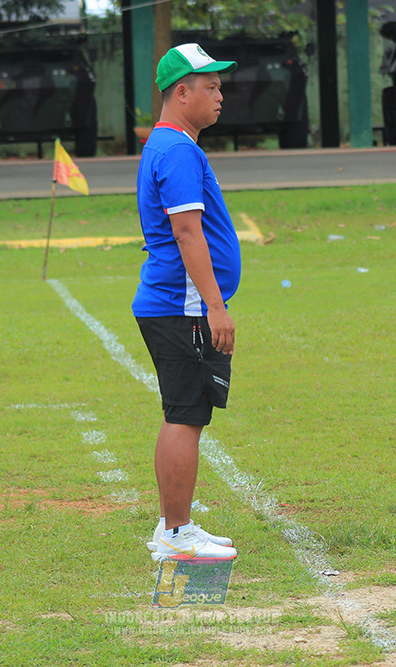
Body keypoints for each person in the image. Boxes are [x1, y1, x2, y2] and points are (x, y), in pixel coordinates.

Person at [133, 44, 241, 561]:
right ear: (182, 92)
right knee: (185, 414)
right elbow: (186, 231)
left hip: (178, 303)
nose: (221, 95)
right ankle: (174, 533)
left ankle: (176, 526)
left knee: (186, 412)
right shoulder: (176, 149)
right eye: (211, 86)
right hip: (184, 306)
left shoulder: (172, 145)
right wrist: (216, 307)